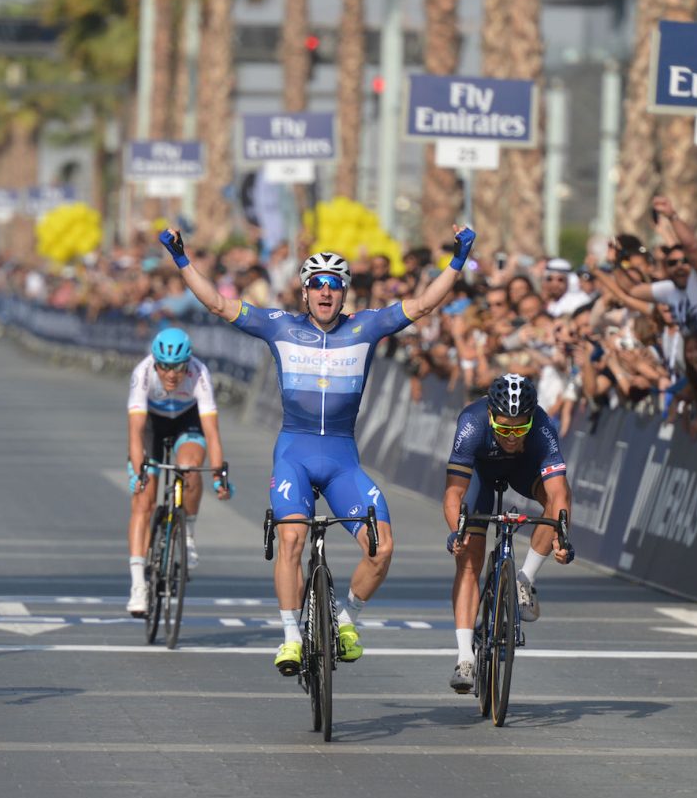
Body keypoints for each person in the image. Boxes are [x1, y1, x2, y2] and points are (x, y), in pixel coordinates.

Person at [158, 224, 476, 674]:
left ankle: (347, 620)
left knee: (382, 547)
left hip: (343, 459)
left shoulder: (366, 326)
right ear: (304, 292)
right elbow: (216, 303)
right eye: (317, 284)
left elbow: (423, 304)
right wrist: (181, 258)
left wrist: (458, 261)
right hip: (295, 454)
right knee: (291, 538)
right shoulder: (279, 326)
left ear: (344, 293)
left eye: (334, 285)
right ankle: (290, 636)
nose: (325, 292)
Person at [442, 374, 572, 692]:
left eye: (519, 428)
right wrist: (457, 532)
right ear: (490, 417)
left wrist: (562, 536)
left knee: (555, 507)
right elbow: (453, 494)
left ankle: (524, 580)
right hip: (481, 477)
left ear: (530, 420)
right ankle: (464, 657)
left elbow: (560, 495)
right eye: (503, 428)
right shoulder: (472, 423)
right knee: (470, 555)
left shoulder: (542, 427)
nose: (512, 437)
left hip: (522, 469)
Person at [125, 327, 232, 616]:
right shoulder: (143, 373)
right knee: (143, 501)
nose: (172, 374)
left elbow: (212, 433)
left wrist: (219, 476)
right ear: (155, 362)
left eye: (178, 367)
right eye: (165, 367)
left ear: (188, 363)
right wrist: (138, 473)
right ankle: (138, 586)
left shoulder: (199, 373)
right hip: (153, 426)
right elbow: (135, 432)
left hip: (188, 421)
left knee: (189, 467)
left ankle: (188, 535)